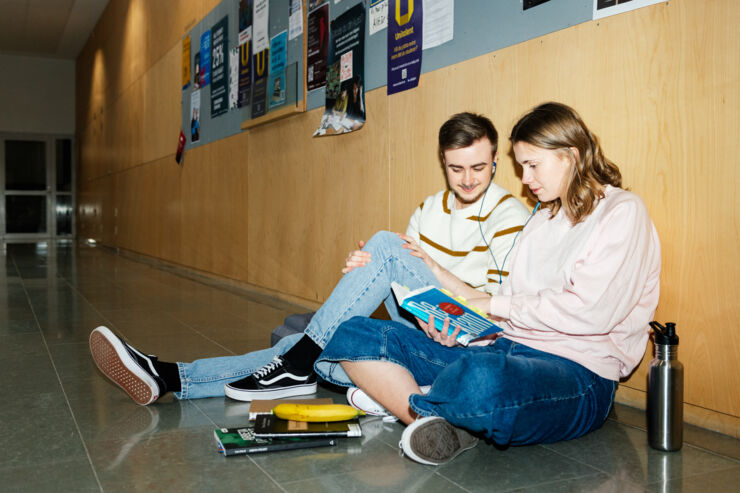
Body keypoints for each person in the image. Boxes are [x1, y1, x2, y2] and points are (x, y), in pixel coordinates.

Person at [89, 112, 530, 405]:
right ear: (443, 163)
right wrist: (366, 271)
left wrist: (426, 270)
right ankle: (170, 376)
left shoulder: (511, 216)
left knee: (376, 257)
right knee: (305, 339)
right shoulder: (428, 209)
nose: (468, 178)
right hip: (421, 323)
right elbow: (404, 284)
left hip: (468, 337)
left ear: (494, 162)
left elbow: (494, 309)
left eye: (479, 167)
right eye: (457, 168)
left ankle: (296, 363)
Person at [312, 102, 662, 465]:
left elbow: (592, 312)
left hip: (579, 373)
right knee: (355, 333)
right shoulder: (543, 218)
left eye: (532, 165)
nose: (525, 179)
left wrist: (491, 307)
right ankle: (433, 419)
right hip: (505, 347)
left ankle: (410, 400)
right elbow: (504, 311)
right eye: (522, 167)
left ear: (570, 155)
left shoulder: (622, 212)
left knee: (482, 379)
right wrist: (458, 310)